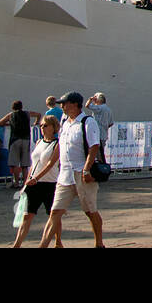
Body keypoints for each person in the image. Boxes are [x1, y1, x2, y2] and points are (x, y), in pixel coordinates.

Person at [39, 91, 104, 248]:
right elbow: (60, 147)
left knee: (90, 211)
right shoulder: (65, 124)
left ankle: (99, 243)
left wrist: (87, 170)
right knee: (55, 212)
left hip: (81, 173)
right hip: (64, 175)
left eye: (65, 103)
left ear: (75, 104)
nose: (62, 106)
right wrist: (49, 165)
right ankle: (43, 246)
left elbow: (94, 146)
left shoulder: (87, 122)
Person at [13, 115, 61, 248]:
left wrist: (37, 178)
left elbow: (51, 164)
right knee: (27, 216)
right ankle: (16, 245)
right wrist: (27, 182)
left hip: (49, 184)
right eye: (41, 126)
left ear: (53, 127)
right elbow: (33, 165)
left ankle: (58, 242)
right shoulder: (39, 142)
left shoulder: (57, 144)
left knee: (53, 215)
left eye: (45, 125)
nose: (42, 128)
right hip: (33, 184)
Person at [0, 101, 37, 189]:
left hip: (15, 140)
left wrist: (9, 124)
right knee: (25, 164)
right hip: (26, 139)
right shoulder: (27, 113)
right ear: (21, 106)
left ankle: (16, 182)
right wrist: (35, 122)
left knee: (14, 164)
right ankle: (25, 183)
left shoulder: (11, 115)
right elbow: (38, 114)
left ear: (13, 107)